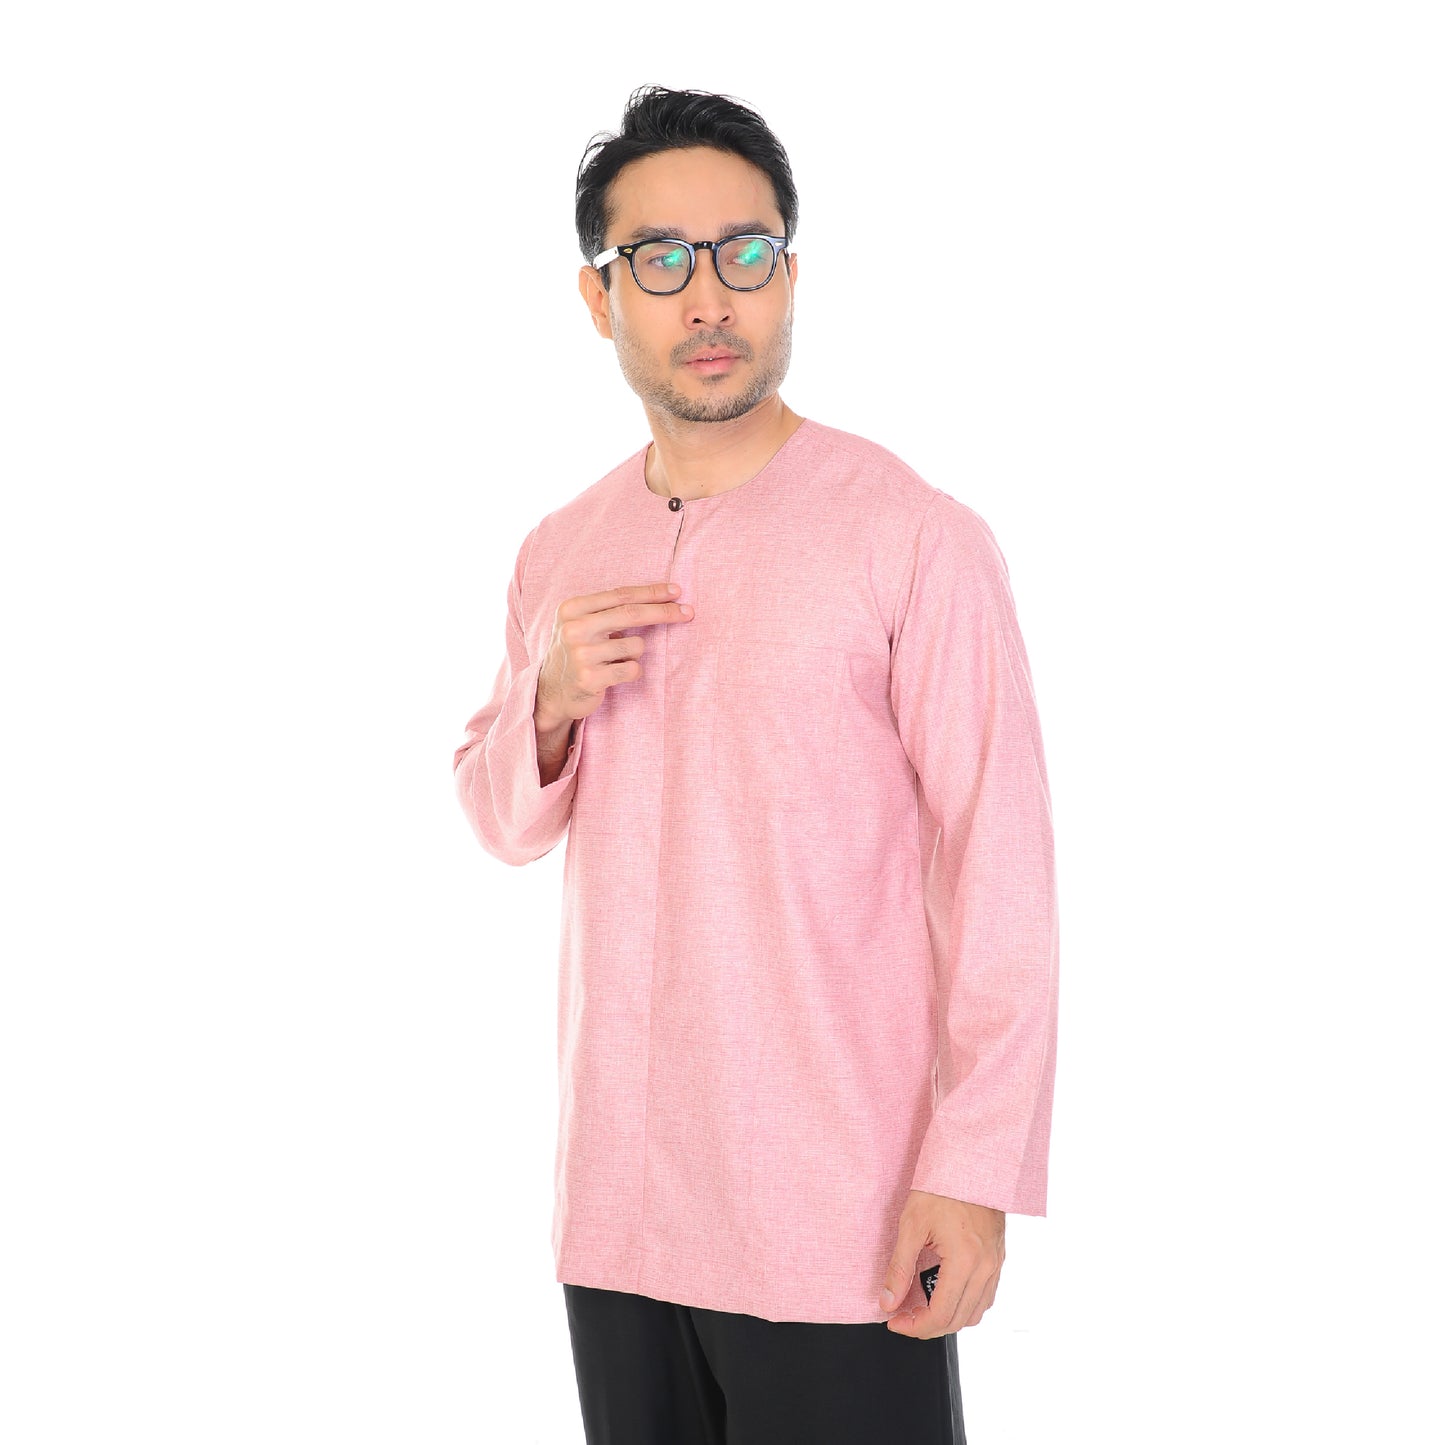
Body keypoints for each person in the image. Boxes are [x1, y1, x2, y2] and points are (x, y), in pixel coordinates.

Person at [452, 85, 1058, 1445]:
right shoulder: (561, 546)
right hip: (618, 1210)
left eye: (744, 251)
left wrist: (972, 1169)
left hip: (838, 1211)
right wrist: (548, 700)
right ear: (601, 297)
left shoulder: (914, 537)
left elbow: (1000, 868)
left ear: (790, 274)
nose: (709, 296)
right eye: (662, 259)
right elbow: (499, 820)